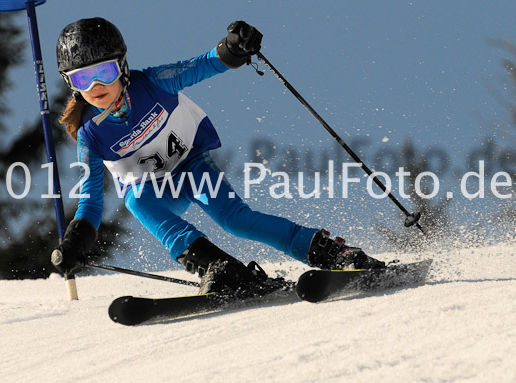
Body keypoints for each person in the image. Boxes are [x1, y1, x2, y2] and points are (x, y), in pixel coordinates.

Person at [50, 17, 384, 294]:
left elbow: (202, 65)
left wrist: (232, 48)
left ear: (122, 66)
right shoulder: (90, 135)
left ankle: (328, 251)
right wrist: (74, 243)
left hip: (192, 167)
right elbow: (91, 204)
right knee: (137, 200)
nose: (95, 85)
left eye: (104, 72)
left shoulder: (153, 83)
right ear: (71, 84)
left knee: (235, 219)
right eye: (82, 78)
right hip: (155, 189)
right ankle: (217, 266)